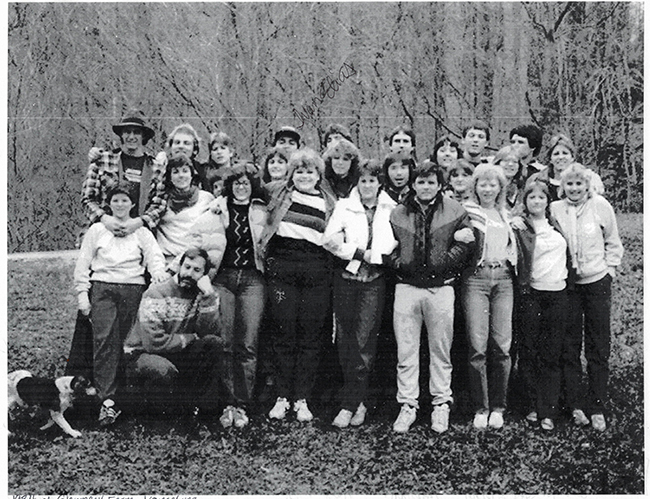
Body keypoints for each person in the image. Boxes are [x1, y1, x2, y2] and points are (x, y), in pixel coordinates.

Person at [386, 160, 474, 434]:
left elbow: (466, 243)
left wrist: (445, 262)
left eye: (431, 182)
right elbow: (386, 247)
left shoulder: (455, 211)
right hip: (407, 288)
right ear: (413, 184)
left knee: (440, 349)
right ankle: (408, 404)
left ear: (440, 185)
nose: (426, 186)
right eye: (421, 182)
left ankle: (441, 403)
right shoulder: (397, 213)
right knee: (407, 350)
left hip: (440, 288)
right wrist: (400, 263)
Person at [74, 182, 167, 425]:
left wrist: (158, 274)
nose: (120, 204)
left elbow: (154, 257)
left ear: (133, 204)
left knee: (128, 344)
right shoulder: (97, 230)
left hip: (132, 288)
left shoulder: (141, 231)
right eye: (115, 200)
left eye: (125, 200)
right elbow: (83, 262)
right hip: (103, 287)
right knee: (104, 341)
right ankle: (107, 401)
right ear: (109, 203)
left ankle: (128, 399)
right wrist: (83, 294)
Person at [260, 148, 337, 422]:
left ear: (319, 175)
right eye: (300, 171)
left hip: (316, 268)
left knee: (310, 335)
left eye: (310, 171)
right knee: (283, 332)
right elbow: (242, 189)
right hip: (283, 265)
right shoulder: (277, 193)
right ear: (292, 174)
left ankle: (302, 398)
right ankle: (282, 396)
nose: (305, 176)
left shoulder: (329, 201)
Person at [323, 159, 397, 428]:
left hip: (374, 280)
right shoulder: (344, 206)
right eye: (363, 180)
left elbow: (393, 243)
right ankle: (355, 400)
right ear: (357, 182)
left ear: (380, 183)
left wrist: (376, 255)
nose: (367, 185)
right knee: (344, 339)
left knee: (364, 341)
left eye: (372, 181)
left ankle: (351, 403)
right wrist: (355, 252)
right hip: (346, 278)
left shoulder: (391, 208)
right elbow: (330, 239)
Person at [550, 163, 623, 431]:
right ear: (562, 186)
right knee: (569, 345)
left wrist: (609, 272)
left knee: (598, 345)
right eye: (569, 184)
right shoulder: (555, 209)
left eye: (579, 183)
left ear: (587, 185)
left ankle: (597, 405)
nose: (574, 188)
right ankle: (575, 404)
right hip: (568, 285)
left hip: (596, 282)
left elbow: (613, 241)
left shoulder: (600, 206)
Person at [123, 248, 224, 416]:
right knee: (163, 369)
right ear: (179, 267)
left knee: (213, 344)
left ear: (204, 275)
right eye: (186, 267)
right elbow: (153, 343)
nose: (189, 274)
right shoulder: (157, 292)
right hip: (141, 354)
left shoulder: (204, 293)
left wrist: (208, 297)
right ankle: (161, 415)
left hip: (175, 349)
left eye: (197, 270)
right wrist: (190, 337)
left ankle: (203, 412)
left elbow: (209, 333)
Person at [208, 163, 268, 429]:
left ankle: (243, 404)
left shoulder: (261, 211)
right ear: (229, 186)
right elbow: (199, 239)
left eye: (245, 183)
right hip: (223, 279)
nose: (241, 188)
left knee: (248, 343)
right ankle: (227, 403)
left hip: (253, 280)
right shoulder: (216, 209)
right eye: (236, 183)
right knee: (226, 342)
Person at [462, 163, 517, 430]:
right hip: (477, 279)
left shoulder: (506, 214)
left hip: (504, 279)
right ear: (475, 187)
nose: (487, 188)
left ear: (500, 187)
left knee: (502, 346)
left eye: (492, 184)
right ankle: (480, 408)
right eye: (482, 184)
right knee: (477, 345)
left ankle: (499, 406)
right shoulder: (466, 211)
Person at [513, 181, 572, 431]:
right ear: (525, 202)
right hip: (532, 293)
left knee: (552, 353)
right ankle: (531, 405)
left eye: (541, 197)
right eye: (532, 198)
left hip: (557, 293)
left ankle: (549, 409)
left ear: (547, 200)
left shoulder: (555, 225)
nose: (537, 201)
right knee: (529, 351)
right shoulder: (520, 226)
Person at [82, 110, 167, 236]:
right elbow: (87, 199)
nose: (131, 136)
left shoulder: (156, 168)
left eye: (136, 132)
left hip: (141, 232)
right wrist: (106, 219)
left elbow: (159, 204)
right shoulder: (102, 161)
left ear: (143, 136)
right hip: (105, 231)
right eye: (127, 131)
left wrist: (139, 223)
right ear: (121, 134)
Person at [155, 155, 214, 269]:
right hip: (163, 260)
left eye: (185, 171)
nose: (181, 175)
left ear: (192, 175)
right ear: (170, 177)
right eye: (176, 172)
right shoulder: (162, 198)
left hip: (191, 261)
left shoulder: (206, 198)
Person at [528, 134, 605, 201]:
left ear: (572, 157)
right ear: (550, 159)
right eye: (556, 154)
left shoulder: (587, 178)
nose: (561, 157)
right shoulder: (537, 180)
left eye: (565, 153)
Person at [492, 145, 525, 212]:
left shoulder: (521, 190)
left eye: (515, 161)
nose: (510, 164)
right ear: (497, 163)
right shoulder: (490, 186)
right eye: (506, 160)